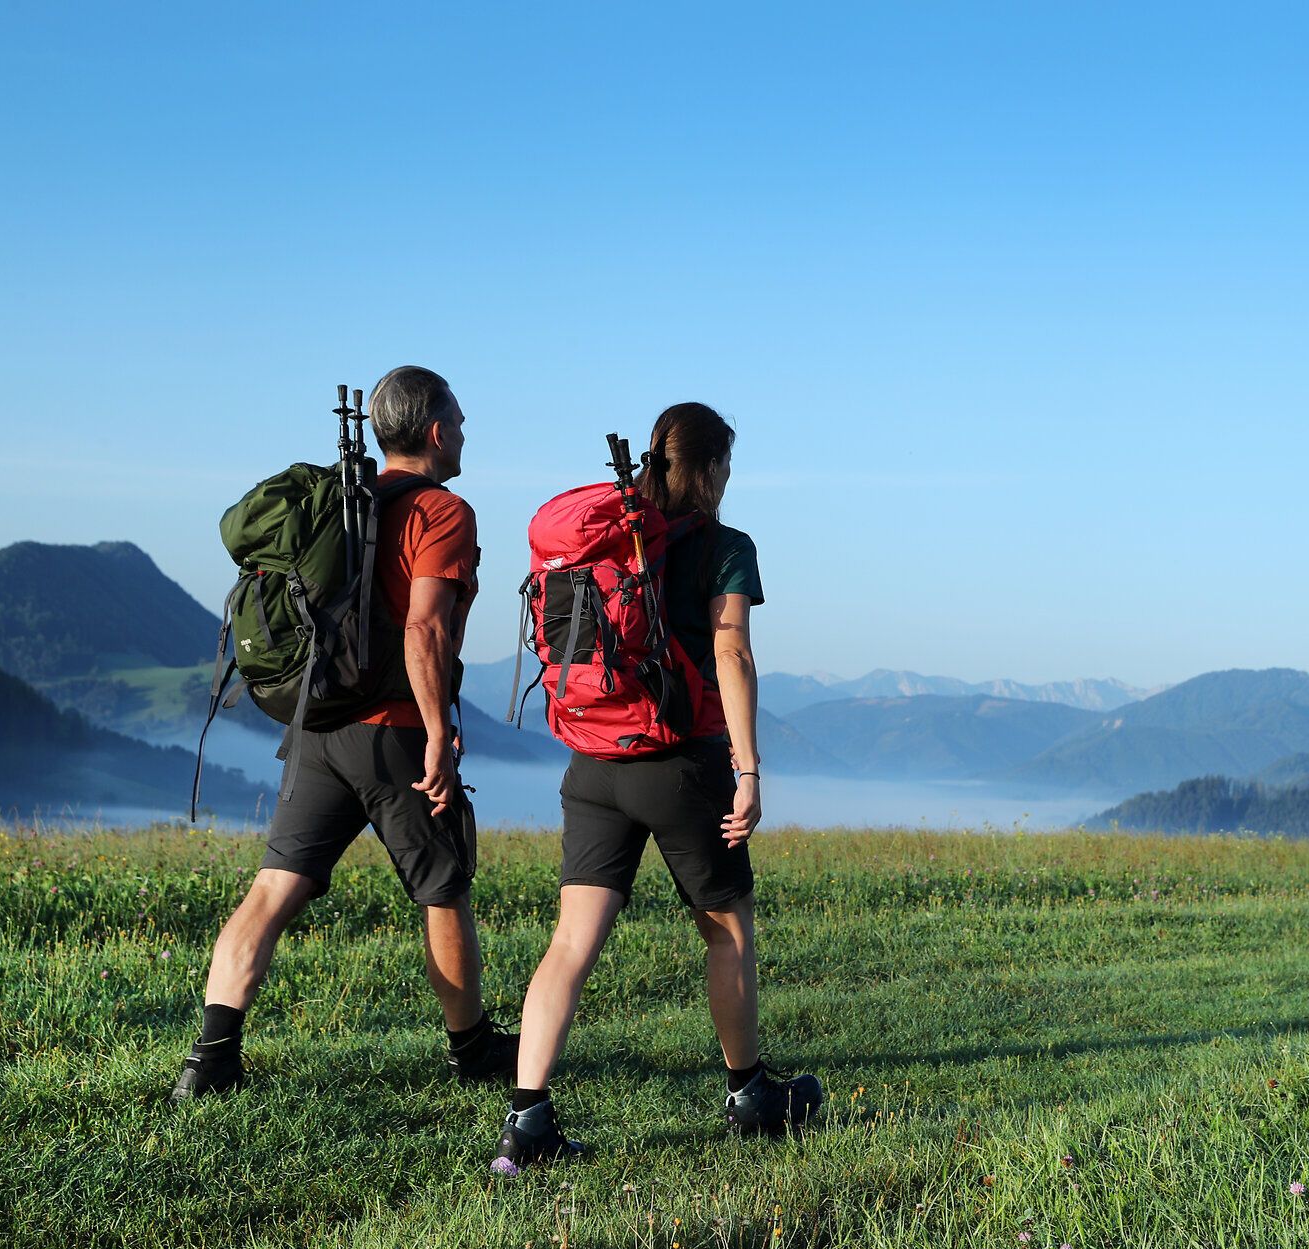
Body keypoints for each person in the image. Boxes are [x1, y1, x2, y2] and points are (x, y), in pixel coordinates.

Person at [489, 402, 821, 1173]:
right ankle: (750, 1099)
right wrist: (748, 769)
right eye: (725, 468)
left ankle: (526, 1125)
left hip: (594, 763)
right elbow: (731, 651)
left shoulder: (615, 538)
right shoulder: (725, 547)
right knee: (727, 929)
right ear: (707, 470)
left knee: (570, 943)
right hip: (681, 766)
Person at [171, 365, 516, 1100]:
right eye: (458, 420)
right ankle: (474, 1048)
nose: (463, 432)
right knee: (443, 889)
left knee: (270, 891)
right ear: (433, 430)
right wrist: (434, 734)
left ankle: (210, 1060)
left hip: (316, 728)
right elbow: (424, 629)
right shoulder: (442, 512)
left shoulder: (336, 507)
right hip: (391, 730)